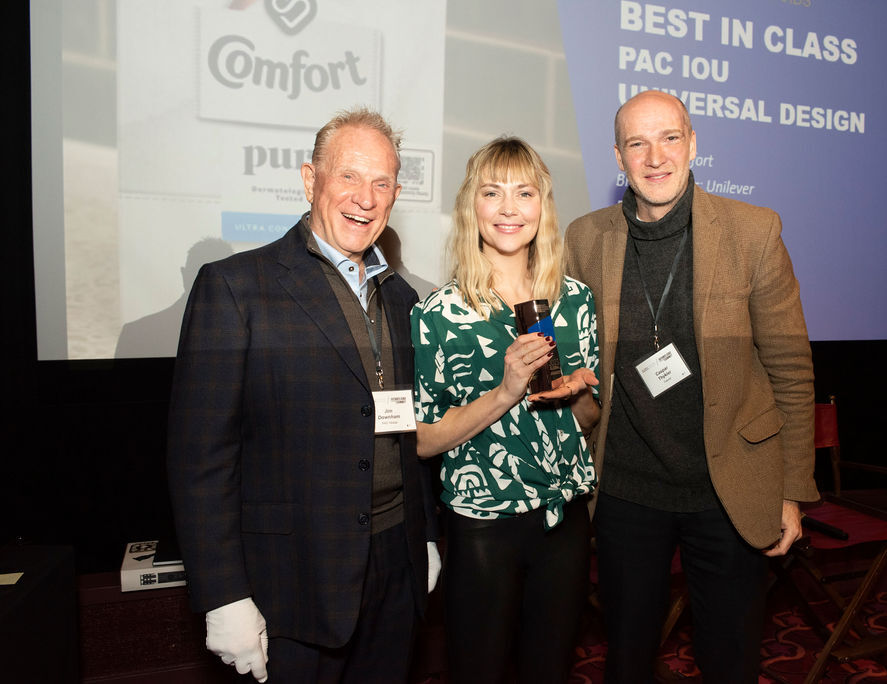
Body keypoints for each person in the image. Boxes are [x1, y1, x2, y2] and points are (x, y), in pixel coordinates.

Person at [166, 107, 440, 683]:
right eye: (348, 176)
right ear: (310, 179)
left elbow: (409, 427)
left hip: (396, 560)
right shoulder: (236, 288)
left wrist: (428, 536)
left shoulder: (402, 298)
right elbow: (201, 462)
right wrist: (223, 595)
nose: (365, 197)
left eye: (382, 182)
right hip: (291, 580)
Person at [564, 90, 818, 682]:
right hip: (626, 488)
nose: (655, 157)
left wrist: (791, 490)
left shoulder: (754, 232)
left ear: (693, 144)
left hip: (728, 487)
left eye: (669, 138)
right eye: (637, 143)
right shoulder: (584, 238)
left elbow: (791, 369)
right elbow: (574, 359)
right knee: (627, 655)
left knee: (729, 658)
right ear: (618, 156)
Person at [412, 136, 600, 684]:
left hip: (564, 517)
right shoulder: (439, 313)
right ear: (472, 206)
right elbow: (423, 439)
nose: (510, 209)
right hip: (484, 525)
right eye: (493, 193)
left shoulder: (575, 300)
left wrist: (578, 392)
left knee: (551, 668)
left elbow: (586, 423)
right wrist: (505, 389)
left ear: (543, 206)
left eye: (525, 192)